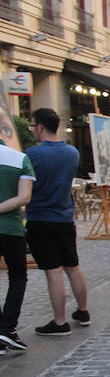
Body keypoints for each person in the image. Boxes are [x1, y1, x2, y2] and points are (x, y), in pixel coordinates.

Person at [25, 108, 90, 338]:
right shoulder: (72, 152)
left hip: (40, 217)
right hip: (64, 217)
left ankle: (60, 321)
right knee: (73, 266)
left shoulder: (32, 154)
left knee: (53, 271)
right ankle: (83, 311)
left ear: (40, 127)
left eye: (33, 126)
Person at [0, 136, 35, 354]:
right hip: (11, 228)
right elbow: (24, 197)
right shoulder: (19, 158)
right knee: (18, 275)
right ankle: (7, 327)